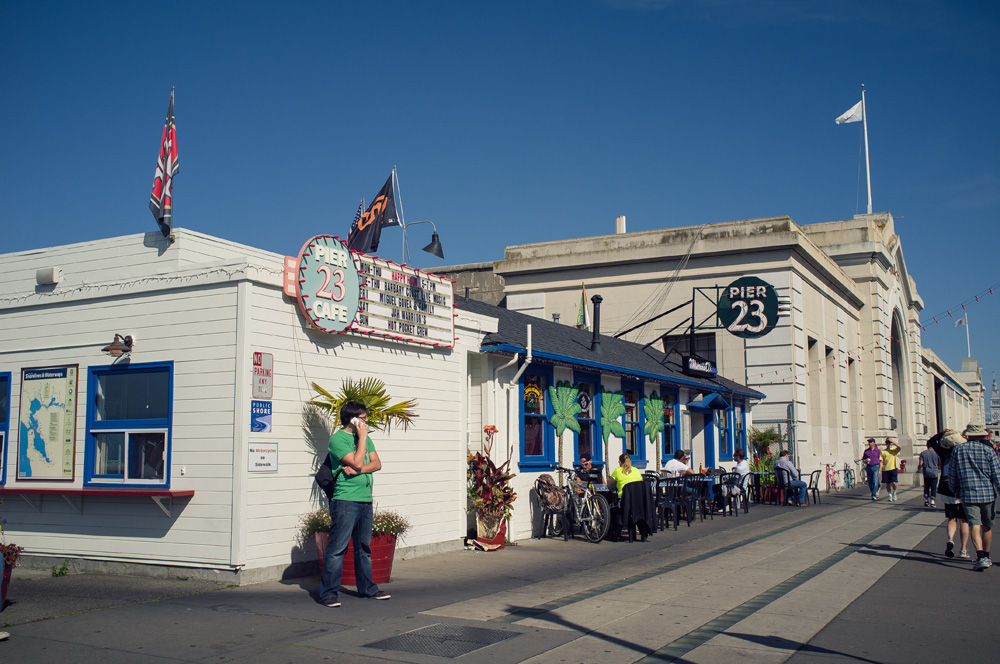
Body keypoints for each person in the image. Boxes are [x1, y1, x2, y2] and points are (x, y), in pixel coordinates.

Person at [318, 401, 391, 607]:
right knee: (338, 547)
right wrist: (363, 441)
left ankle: (367, 588)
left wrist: (358, 470)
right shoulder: (338, 440)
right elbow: (358, 461)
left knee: (363, 547)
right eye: (364, 418)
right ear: (353, 419)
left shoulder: (364, 439)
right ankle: (328, 593)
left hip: (365, 499)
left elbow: (376, 464)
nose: (367, 422)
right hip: (346, 499)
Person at [949, 424, 1000, 571]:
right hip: (988, 494)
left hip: (968, 493)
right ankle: (987, 556)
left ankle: (980, 556)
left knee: (974, 525)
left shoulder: (958, 450)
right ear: (982, 436)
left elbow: (953, 473)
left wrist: (955, 490)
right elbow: (997, 475)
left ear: (968, 435)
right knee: (987, 526)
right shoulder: (989, 451)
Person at [930, 429, 970, 560]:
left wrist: (941, 434)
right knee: (964, 520)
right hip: (963, 486)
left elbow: (930, 442)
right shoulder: (964, 451)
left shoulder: (944, 452)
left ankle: (950, 539)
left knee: (952, 518)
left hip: (946, 486)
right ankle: (963, 549)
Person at [917, 440, 941, 507]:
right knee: (933, 487)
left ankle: (926, 500)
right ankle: (933, 501)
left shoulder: (923, 453)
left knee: (926, 486)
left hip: (926, 472)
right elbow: (939, 463)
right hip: (934, 472)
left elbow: (921, 463)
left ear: (927, 445)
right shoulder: (937, 453)